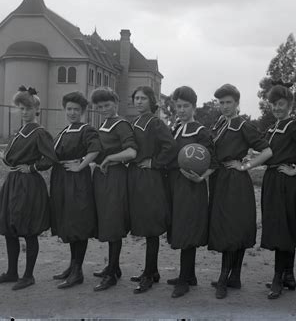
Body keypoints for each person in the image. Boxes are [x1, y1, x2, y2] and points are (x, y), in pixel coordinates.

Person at [208, 83, 273, 299]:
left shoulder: (243, 125)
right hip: (220, 180)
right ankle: (234, 277)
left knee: (232, 228)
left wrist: (245, 166)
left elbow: (267, 151)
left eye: (229, 102)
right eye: (221, 103)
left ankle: (223, 279)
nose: (224, 106)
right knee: (229, 227)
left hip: (236, 182)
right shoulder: (219, 124)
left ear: (237, 104)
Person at [0, 85, 58, 290]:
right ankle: (12, 272)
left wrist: (33, 167)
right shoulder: (19, 131)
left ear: (36, 110)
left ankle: (28, 276)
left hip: (28, 185)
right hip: (13, 183)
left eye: (28, 109)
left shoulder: (39, 133)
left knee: (28, 230)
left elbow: (51, 158)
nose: (24, 112)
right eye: (21, 108)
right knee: (10, 228)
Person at [260, 82, 296, 299]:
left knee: (283, 229)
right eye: (274, 104)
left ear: (290, 104)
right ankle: (289, 276)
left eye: (281, 104)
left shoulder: (294, 126)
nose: (277, 108)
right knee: (281, 228)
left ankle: (278, 279)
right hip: (272, 181)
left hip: (287, 182)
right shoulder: (273, 127)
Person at [166, 86, 217, 298]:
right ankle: (191, 275)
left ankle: (184, 280)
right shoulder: (176, 128)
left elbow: (214, 159)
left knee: (188, 228)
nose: (181, 110)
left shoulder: (201, 131)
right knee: (179, 226)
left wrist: (202, 177)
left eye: (186, 106)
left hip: (191, 186)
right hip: (176, 184)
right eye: (178, 106)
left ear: (194, 107)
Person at [128, 86, 178, 294]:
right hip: (137, 178)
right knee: (144, 224)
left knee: (151, 228)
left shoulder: (155, 122)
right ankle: (152, 271)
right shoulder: (134, 122)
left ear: (151, 101)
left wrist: (155, 163)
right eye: (136, 98)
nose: (139, 102)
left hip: (151, 179)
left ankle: (149, 274)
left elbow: (171, 147)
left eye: (143, 98)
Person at [50, 92, 101, 289]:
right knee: (69, 223)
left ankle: (78, 271)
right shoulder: (64, 131)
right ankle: (72, 266)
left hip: (77, 181)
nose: (72, 112)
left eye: (76, 110)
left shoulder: (86, 129)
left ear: (83, 111)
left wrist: (80, 166)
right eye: (69, 109)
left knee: (78, 223)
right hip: (62, 180)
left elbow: (95, 149)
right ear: (65, 109)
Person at [91, 87, 137, 291]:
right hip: (102, 177)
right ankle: (114, 266)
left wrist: (110, 158)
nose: (104, 109)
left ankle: (111, 275)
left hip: (115, 176)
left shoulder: (121, 124)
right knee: (106, 221)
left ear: (116, 103)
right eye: (100, 106)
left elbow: (132, 152)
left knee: (113, 223)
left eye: (107, 105)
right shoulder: (104, 124)